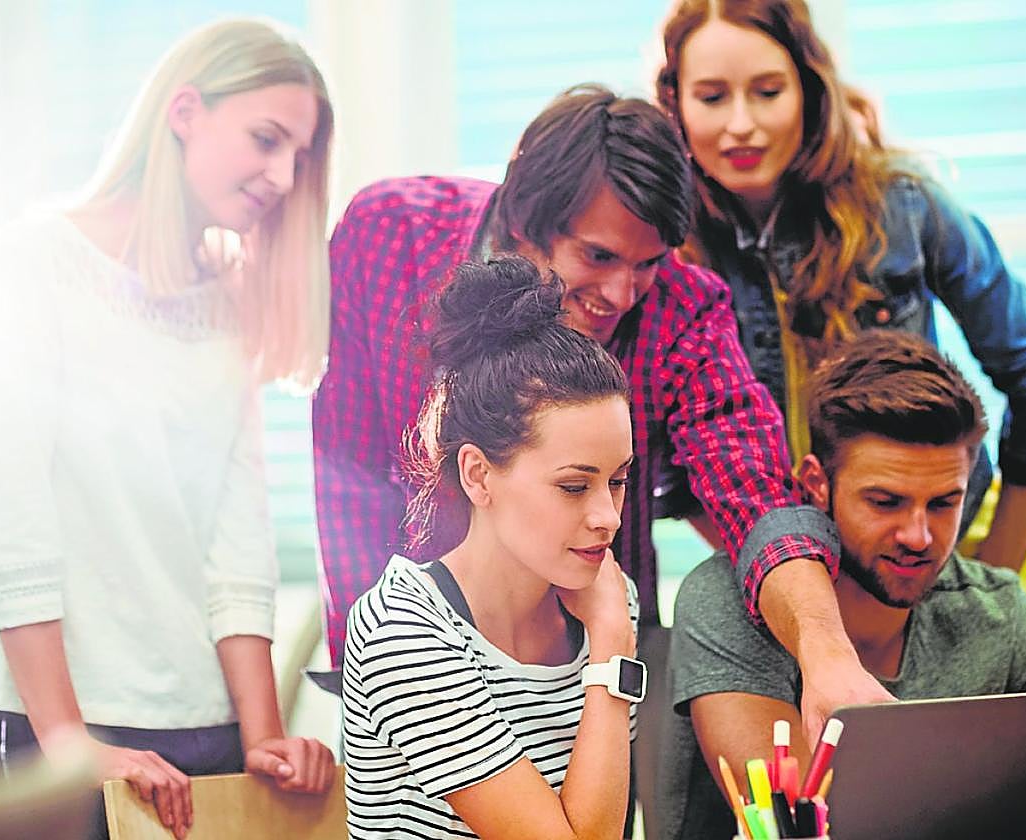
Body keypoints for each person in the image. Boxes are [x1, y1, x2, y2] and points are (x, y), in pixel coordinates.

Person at [314, 84, 893, 759]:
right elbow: (347, 466)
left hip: (584, 670)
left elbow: (755, 489)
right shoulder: (391, 234)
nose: (622, 294)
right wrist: (370, 659)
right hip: (417, 656)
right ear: (525, 219)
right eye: (598, 257)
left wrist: (826, 655)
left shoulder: (685, 308)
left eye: (649, 262)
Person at [0, 19, 336, 839]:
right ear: (186, 110)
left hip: (204, 727)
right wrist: (68, 742)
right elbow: (8, 525)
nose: (281, 175)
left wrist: (262, 735)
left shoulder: (230, 302)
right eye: (266, 139)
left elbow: (237, 544)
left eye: (297, 157)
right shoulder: (28, 265)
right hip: (65, 728)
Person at [655, 0, 1026, 575]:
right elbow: (668, 455)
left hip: (933, 558)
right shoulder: (661, 249)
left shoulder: (904, 208)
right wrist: (779, 570)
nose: (740, 123)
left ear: (809, 89)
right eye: (712, 96)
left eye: (767, 91)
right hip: (779, 580)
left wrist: (1000, 565)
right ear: (675, 104)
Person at [659, 330, 1026, 839]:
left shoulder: (1001, 615)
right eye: (885, 502)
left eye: (943, 503)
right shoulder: (730, 601)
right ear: (817, 484)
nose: (919, 536)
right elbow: (809, 827)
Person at [343, 255, 641, 838]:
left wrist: (609, 638)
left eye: (619, 480)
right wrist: (610, 651)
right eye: (574, 486)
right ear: (478, 475)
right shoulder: (402, 630)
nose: (606, 517)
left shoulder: (608, 599)